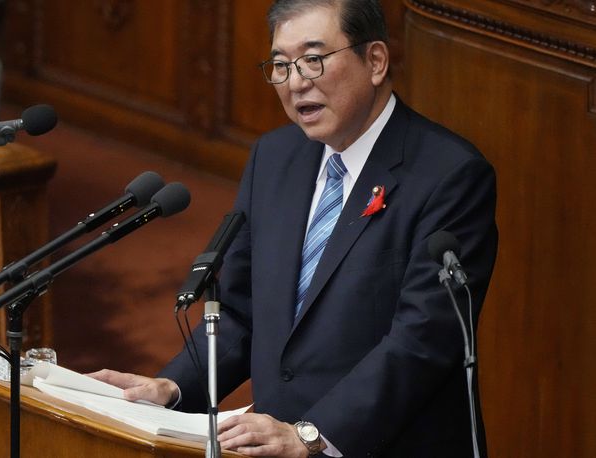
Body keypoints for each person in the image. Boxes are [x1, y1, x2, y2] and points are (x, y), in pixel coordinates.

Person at [90, 0, 497, 456]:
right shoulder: (274, 157)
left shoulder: (449, 175)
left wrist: (313, 433)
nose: (296, 82)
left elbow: (423, 340)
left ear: (375, 61)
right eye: (280, 65)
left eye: (314, 60)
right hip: (276, 443)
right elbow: (241, 313)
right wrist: (172, 387)